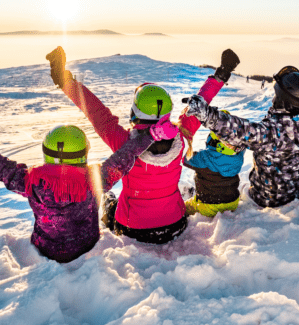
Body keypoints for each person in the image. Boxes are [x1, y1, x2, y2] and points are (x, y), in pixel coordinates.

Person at [47, 46, 240, 244]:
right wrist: (221, 74)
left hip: (133, 228)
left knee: (109, 202)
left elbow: (97, 113)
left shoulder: (124, 144)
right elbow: (201, 102)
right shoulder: (181, 137)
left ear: (136, 111)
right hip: (175, 223)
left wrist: (65, 81)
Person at [0, 119, 179, 263]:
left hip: (46, 249)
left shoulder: (30, 181)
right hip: (87, 246)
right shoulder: (95, 180)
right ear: (83, 153)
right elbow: (125, 157)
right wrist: (151, 135)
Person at [184, 51, 299, 208]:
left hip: (266, 200)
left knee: (240, 192)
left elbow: (238, 130)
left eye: (276, 95)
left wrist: (206, 114)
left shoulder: (273, 132)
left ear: (283, 101)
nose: (273, 98)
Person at [182, 110, 246, 217]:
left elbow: (185, 159)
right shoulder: (238, 155)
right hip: (232, 203)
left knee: (184, 207)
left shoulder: (204, 157)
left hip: (208, 205)